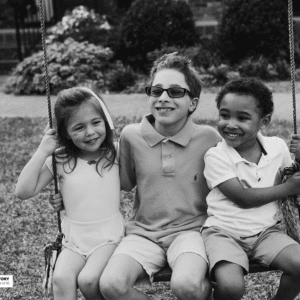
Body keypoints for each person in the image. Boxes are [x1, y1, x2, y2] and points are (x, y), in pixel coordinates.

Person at [98, 53, 221, 300]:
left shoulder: (209, 138)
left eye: (175, 92)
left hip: (191, 232)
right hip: (143, 232)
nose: (163, 98)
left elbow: (238, 174)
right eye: (156, 91)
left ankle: (203, 291)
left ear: (193, 103)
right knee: (111, 284)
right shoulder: (132, 136)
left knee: (186, 285)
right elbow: (122, 183)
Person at [15, 87, 124, 300]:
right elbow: (23, 191)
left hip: (109, 238)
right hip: (73, 241)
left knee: (89, 280)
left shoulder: (116, 153)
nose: (90, 132)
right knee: (61, 278)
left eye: (96, 122)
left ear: (106, 121)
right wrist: (42, 151)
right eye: (79, 127)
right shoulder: (60, 160)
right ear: (65, 132)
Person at [201, 77, 300, 300]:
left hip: (266, 232)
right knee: (232, 286)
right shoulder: (216, 156)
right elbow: (243, 198)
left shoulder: (277, 147)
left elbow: (293, 175)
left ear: (263, 121)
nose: (231, 124)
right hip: (223, 233)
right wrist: (289, 188)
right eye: (224, 115)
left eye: (243, 118)